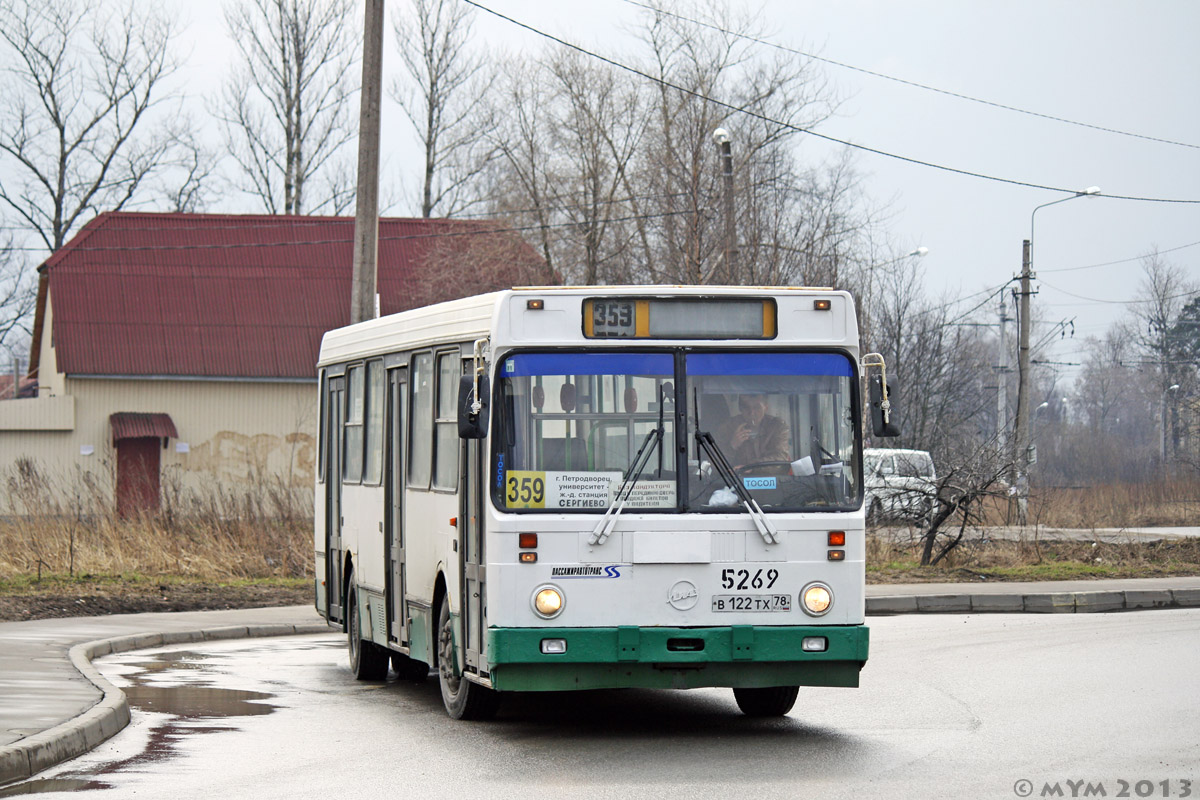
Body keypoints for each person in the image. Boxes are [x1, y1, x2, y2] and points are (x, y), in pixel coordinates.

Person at [716, 394, 789, 466]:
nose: (752, 413)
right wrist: (732, 445)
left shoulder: (777, 426)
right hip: (735, 477)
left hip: (771, 476)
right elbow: (715, 463)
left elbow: (781, 457)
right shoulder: (728, 427)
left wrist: (751, 467)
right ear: (740, 408)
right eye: (746, 407)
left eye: (757, 407)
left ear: (766, 407)